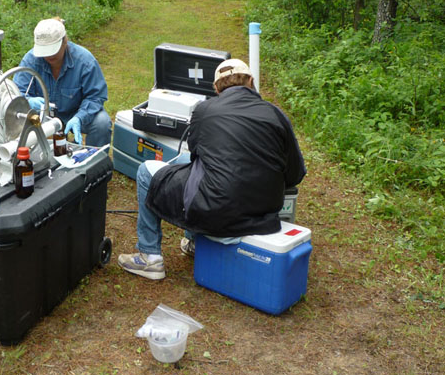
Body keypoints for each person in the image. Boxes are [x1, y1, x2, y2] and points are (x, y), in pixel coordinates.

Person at [118, 58, 306, 280]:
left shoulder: (204, 110)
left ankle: (150, 257)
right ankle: (195, 242)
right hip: (264, 215)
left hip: (217, 212)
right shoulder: (276, 114)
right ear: (251, 81)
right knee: (194, 164)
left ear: (216, 88)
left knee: (146, 171)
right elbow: (295, 174)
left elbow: (199, 158)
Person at [14, 18, 112, 148]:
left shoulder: (85, 62)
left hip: (75, 113)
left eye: (53, 50)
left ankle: (96, 164)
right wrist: (28, 101)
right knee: (14, 121)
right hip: (42, 114)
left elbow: (96, 96)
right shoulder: (31, 61)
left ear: (64, 42)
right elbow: (16, 94)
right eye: (45, 51)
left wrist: (80, 118)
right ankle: (29, 160)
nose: (49, 56)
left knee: (102, 123)